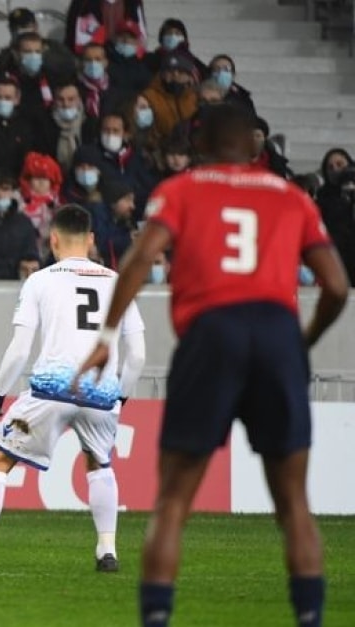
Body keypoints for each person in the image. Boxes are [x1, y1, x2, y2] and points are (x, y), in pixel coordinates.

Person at [74, 103, 350, 627]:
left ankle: (156, 619)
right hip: (275, 334)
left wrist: (107, 334)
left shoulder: (182, 191)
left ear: (200, 146)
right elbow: (335, 285)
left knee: (174, 502)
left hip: (211, 334)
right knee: (293, 503)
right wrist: (302, 340)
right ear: (255, 147)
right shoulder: (291, 196)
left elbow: (138, 259)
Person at [0, 205, 146, 572]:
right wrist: (119, 397)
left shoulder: (40, 280)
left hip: (50, 393)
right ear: (91, 240)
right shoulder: (119, 281)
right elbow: (137, 355)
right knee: (100, 463)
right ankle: (108, 552)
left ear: (53, 239)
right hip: (101, 395)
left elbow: (21, 348)